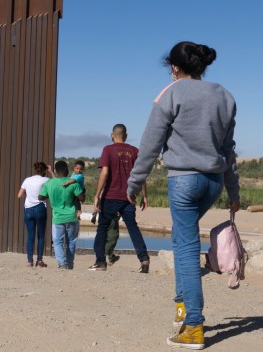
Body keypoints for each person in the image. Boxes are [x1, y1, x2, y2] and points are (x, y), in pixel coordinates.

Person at [126, 41, 240, 350]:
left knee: (187, 249)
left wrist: (134, 185)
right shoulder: (224, 96)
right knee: (180, 240)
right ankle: (180, 308)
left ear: (174, 67)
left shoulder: (171, 93)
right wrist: (233, 190)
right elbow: (228, 151)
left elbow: (150, 145)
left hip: (184, 182)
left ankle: (193, 326)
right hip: (213, 182)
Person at [89, 124, 150, 272]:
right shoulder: (135, 151)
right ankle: (144, 259)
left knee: (102, 228)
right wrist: (145, 195)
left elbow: (104, 173)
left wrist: (97, 195)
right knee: (133, 228)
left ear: (112, 135)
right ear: (126, 136)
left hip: (110, 196)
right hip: (129, 197)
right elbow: (140, 174)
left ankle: (100, 262)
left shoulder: (108, 150)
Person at [39, 161, 84, 269]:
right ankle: (70, 264)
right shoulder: (73, 183)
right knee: (71, 241)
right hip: (72, 217)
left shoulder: (49, 183)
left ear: (55, 170)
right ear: (66, 170)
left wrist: (50, 195)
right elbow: (82, 198)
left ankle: (62, 263)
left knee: (57, 241)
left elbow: (40, 197)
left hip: (57, 218)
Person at [18, 162, 51, 267]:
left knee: (30, 236)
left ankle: (29, 261)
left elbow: (20, 195)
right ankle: (40, 261)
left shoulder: (27, 180)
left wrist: (29, 195)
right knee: (41, 235)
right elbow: (57, 183)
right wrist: (51, 171)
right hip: (40, 208)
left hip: (28, 209)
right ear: (44, 170)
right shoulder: (46, 180)